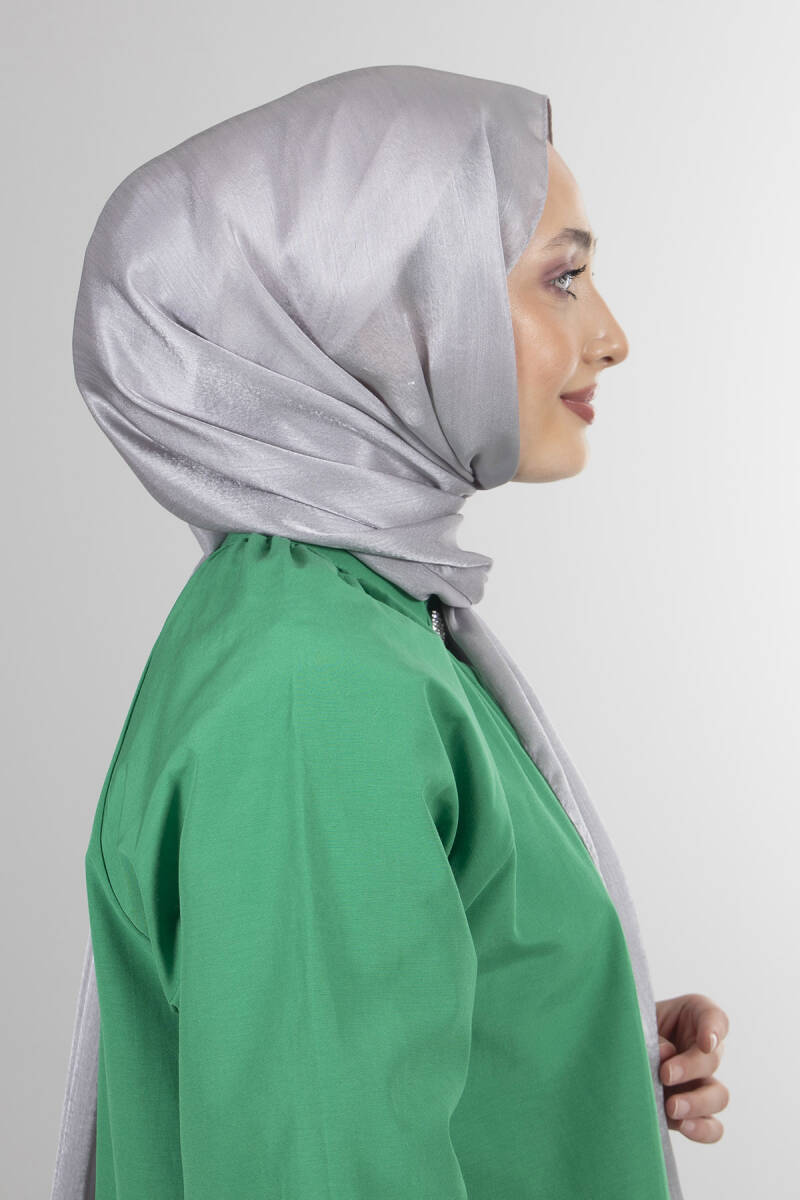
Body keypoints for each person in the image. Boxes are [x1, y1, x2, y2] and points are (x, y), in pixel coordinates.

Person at [50, 65, 729, 1200]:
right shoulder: (315, 686)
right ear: (387, 304)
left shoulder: (336, 616)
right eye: (562, 278)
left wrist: (575, 1043)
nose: (610, 337)